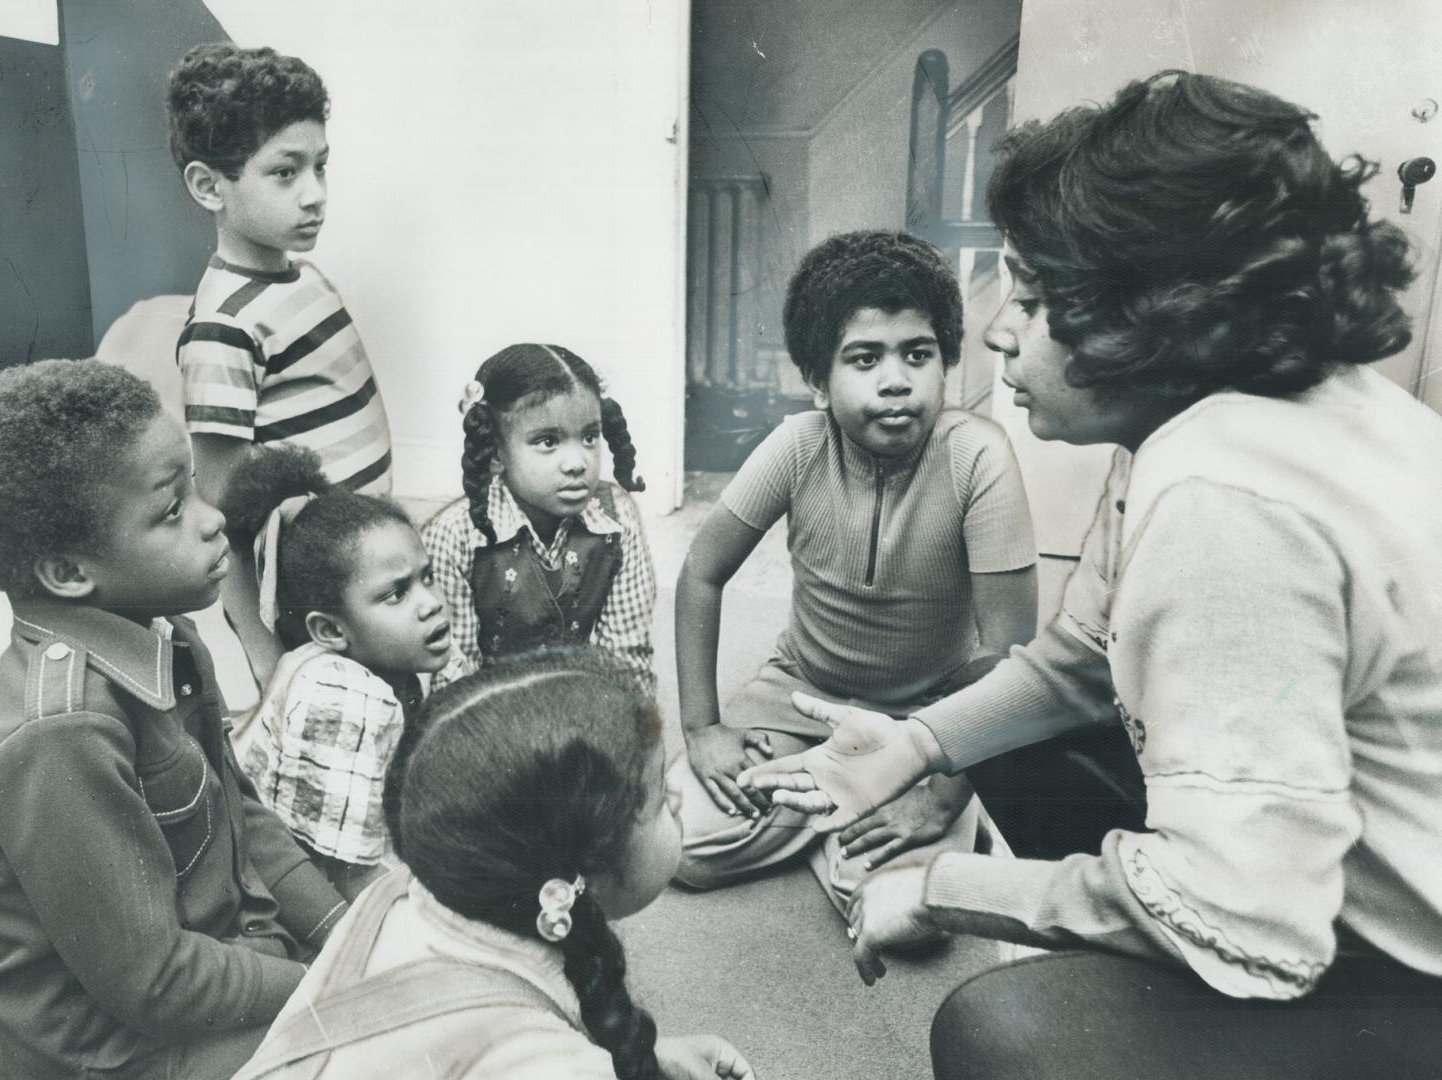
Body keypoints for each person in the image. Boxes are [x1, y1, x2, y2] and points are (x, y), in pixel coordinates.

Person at [740, 72, 1442, 1078]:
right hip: (1336, 876)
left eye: (1033, 296)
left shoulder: (1223, 495)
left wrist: (944, 886)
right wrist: (915, 744)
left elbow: (1250, 920)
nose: (997, 331)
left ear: (1155, 309)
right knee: (1010, 747)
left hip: (1401, 978)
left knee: (1001, 1033)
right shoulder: (1228, 412)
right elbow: (1079, 661)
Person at [0, 360, 348, 1080]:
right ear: (68, 575)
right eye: (171, 510)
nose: (213, 516)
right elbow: (155, 983)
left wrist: (343, 937)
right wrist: (335, 989)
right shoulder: (56, 737)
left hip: (220, 960)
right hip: (123, 1054)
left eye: (191, 483)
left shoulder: (165, 637)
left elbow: (244, 822)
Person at [670, 230, 1037, 913]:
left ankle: (866, 816)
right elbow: (700, 573)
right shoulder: (796, 447)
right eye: (864, 358)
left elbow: (1007, 657)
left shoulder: (977, 460)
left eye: (918, 355)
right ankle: (831, 810)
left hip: (928, 719)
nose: (896, 380)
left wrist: (941, 794)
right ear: (817, 381)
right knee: (683, 844)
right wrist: (702, 728)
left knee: (901, 908)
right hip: (800, 694)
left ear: (946, 364)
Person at [234, 650, 754, 1080]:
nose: (682, 800)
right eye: (660, 796)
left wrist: (646, 1059)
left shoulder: (402, 894)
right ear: (578, 876)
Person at [167, 42, 393, 685]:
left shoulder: (301, 275)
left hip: (364, 553)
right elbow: (219, 513)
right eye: (285, 173)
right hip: (318, 582)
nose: (316, 194)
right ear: (210, 185)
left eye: (322, 166)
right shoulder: (224, 327)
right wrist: (267, 660)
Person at [220, 444, 465, 901]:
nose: (430, 603)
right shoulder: (341, 696)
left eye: (426, 577)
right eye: (396, 594)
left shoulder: (422, 656)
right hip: (289, 885)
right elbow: (340, 873)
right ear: (330, 629)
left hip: (372, 848)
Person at [422, 343, 657, 693]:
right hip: (486, 714)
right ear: (497, 454)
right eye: (548, 441)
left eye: (590, 437)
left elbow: (626, 657)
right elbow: (454, 674)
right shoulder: (453, 536)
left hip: (580, 702)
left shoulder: (616, 515)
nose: (577, 462)